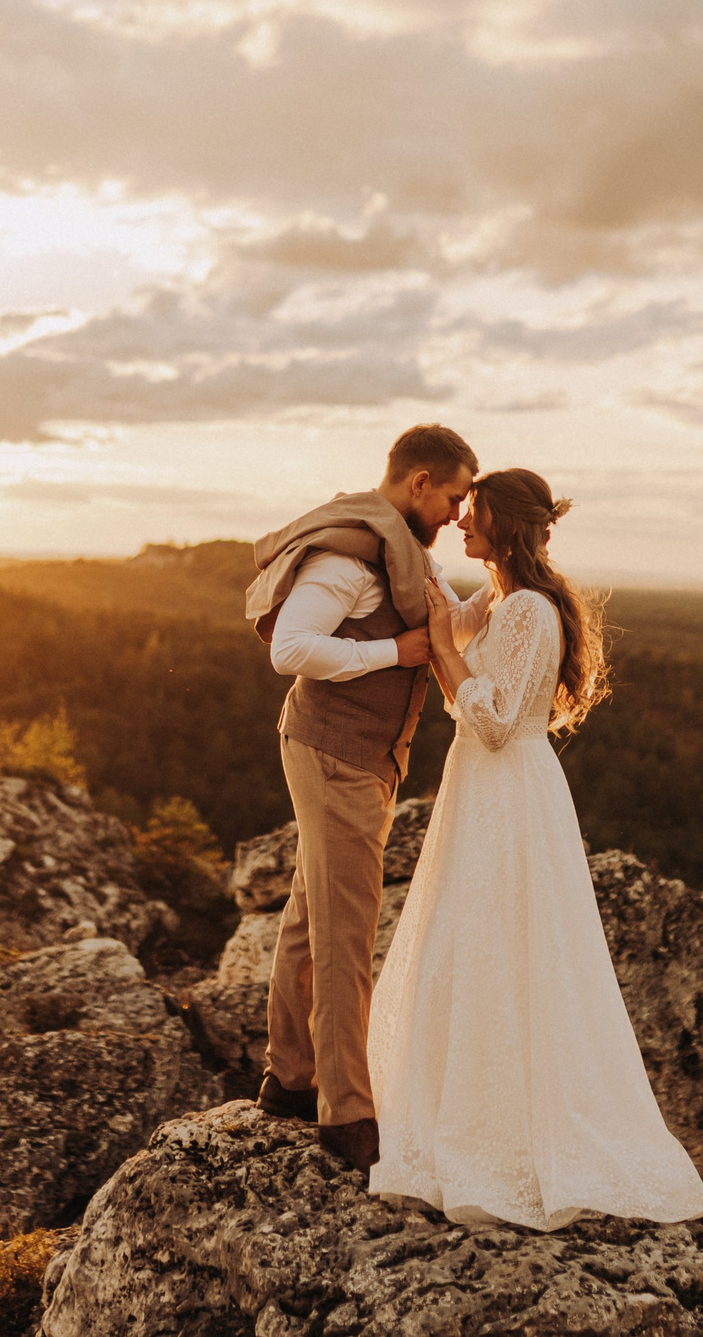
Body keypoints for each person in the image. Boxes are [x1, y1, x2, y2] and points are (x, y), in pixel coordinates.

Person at [365, 467, 703, 1229]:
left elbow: (492, 721)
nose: (462, 523)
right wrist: (416, 564)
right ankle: (463, 1110)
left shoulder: (528, 609)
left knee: (504, 948)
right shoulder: (499, 598)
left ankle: (512, 1140)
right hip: (482, 791)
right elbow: (453, 620)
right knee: (468, 944)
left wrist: (444, 661)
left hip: (508, 789)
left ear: (506, 524)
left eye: (474, 514)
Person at [242, 424, 479, 1174]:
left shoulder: (403, 554)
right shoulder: (352, 556)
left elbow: (449, 626)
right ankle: (346, 1112)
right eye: (452, 495)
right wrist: (391, 652)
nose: (454, 512)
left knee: (315, 912)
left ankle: (289, 1074)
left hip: (358, 755)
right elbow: (291, 649)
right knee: (347, 928)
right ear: (418, 483)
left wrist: (514, 586)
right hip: (332, 752)